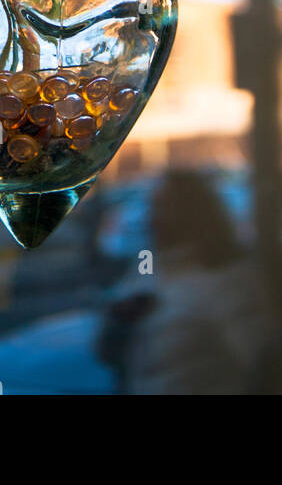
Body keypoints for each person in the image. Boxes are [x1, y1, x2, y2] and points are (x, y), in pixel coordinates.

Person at [96, 169, 269, 395]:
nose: (153, 217)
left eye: (165, 207)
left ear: (195, 213)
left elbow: (264, 365)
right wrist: (119, 322)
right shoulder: (148, 269)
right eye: (153, 206)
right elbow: (105, 352)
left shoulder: (228, 280)